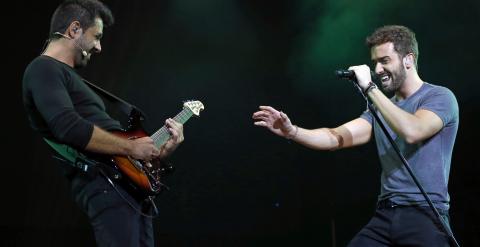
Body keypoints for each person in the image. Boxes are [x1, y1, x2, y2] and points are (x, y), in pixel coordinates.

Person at [253, 25, 459, 246]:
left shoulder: (439, 97)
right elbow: (335, 137)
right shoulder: (380, 109)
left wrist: (370, 88)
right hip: (385, 215)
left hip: (424, 215)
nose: (378, 69)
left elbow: (413, 131)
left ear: (408, 59)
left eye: (385, 60)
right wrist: (292, 131)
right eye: (375, 63)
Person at [22, 0, 184, 246]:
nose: (99, 47)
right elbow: (68, 126)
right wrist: (131, 147)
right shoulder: (42, 69)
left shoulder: (66, 77)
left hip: (127, 188)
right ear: (74, 29)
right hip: (107, 186)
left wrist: (155, 154)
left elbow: (115, 146)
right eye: (96, 36)